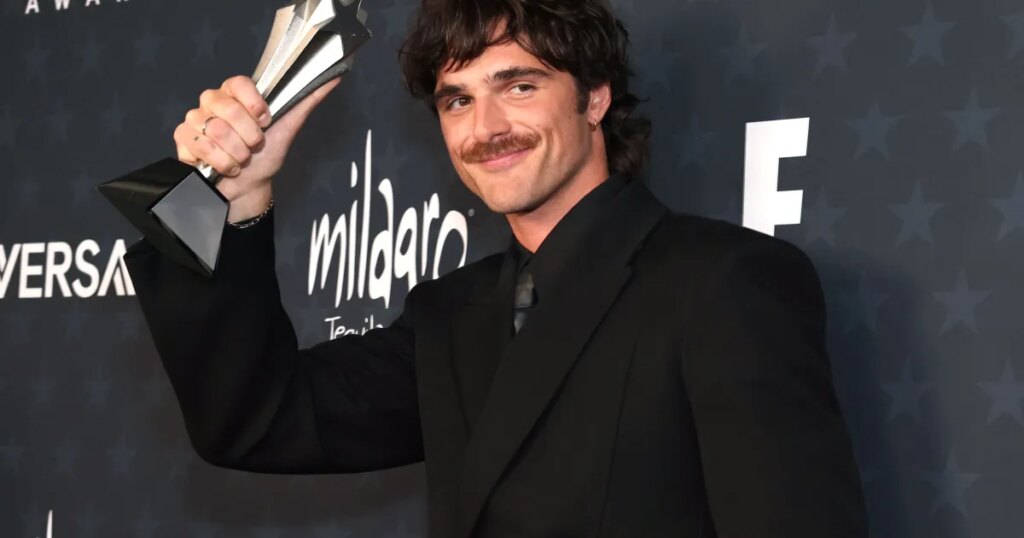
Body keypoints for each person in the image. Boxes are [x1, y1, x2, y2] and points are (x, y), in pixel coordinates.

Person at [124, 0, 868, 536]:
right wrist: (239, 195)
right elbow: (256, 422)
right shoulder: (452, 315)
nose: (486, 129)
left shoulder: (723, 283)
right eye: (457, 101)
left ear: (595, 98)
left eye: (519, 86)